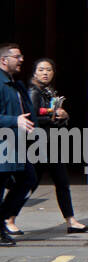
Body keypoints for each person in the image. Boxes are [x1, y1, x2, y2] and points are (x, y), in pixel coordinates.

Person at [8, 59, 88, 235]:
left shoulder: (47, 92)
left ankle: (71, 221)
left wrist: (63, 115)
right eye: (41, 69)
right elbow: (33, 118)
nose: (45, 73)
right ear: (34, 73)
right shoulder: (33, 92)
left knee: (61, 182)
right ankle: (9, 218)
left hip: (51, 145)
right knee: (29, 184)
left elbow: (52, 116)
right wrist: (55, 116)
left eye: (48, 69)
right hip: (39, 146)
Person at [0, 43, 36, 246]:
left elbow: (26, 111)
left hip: (16, 144)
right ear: (4, 60)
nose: (22, 59)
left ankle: (2, 219)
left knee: (28, 179)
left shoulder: (14, 83)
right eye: (17, 56)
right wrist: (14, 121)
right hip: (3, 144)